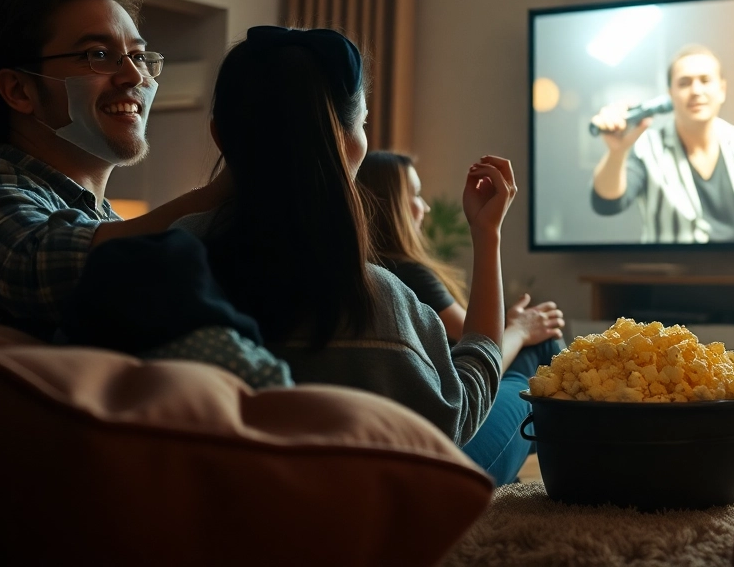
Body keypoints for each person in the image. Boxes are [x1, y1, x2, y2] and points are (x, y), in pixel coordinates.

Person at [173, 26, 512, 458]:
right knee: (522, 393)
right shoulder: (378, 302)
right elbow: (457, 413)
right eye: (364, 122)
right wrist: (488, 235)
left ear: (220, 134)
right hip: (346, 518)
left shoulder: (161, 263)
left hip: (202, 511)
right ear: (347, 141)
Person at [0, 0, 232, 340]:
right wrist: (217, 194)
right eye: (98, 54)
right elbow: (37, 269)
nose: (135, 76)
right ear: (20, 91)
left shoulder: (109, 224)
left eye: (138, 56)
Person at [357, 150, 565, 482]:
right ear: (389, 204)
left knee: (532, 347)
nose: (424, 206)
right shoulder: (406, 274)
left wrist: (513, 326)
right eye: (414, 195)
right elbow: (478, 359)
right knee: (541, 351)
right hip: (442, 463)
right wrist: (521, 330)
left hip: (402, 447)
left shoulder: (361, 274)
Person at [590, 44, 734, 243]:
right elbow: (608, 203)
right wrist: (617, 152)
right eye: (684, 83)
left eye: (705, 80)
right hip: (669, 272)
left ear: (722, 90)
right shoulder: (646, 147)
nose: (696, 90)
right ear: (670, 95)